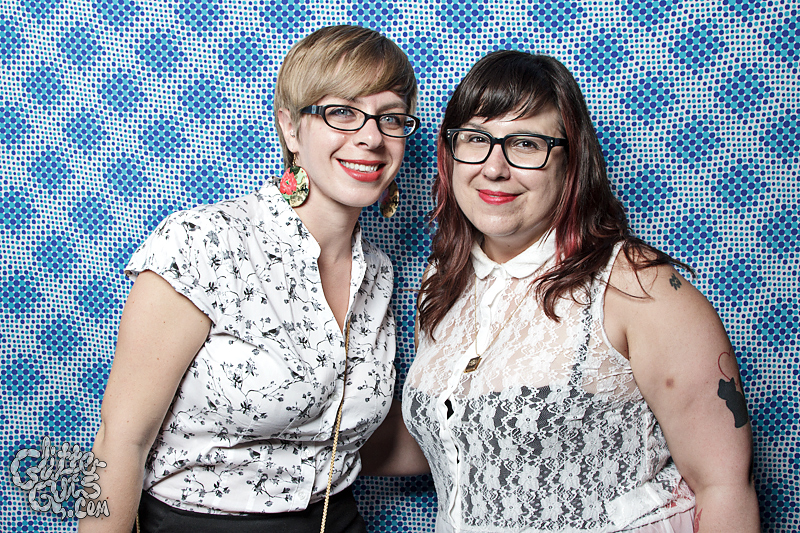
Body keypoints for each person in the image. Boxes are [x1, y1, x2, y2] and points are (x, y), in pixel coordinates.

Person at [366, 50, 760, 532]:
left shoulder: (640, 286)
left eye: (526, 144)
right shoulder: (443, 284)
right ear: (450, 154)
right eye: (475, 139)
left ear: (571, 161)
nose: (494, 168)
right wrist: (304, 449)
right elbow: (458, 441)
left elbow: (724, 487)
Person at [79, 25, 419, 533]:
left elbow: (353, 437)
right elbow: (119, 442)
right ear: (290, 128)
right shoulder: (203, 242)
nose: (371, 137)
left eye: (389, 117)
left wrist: (498, 443)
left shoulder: (380, 273)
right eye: (342, 112)